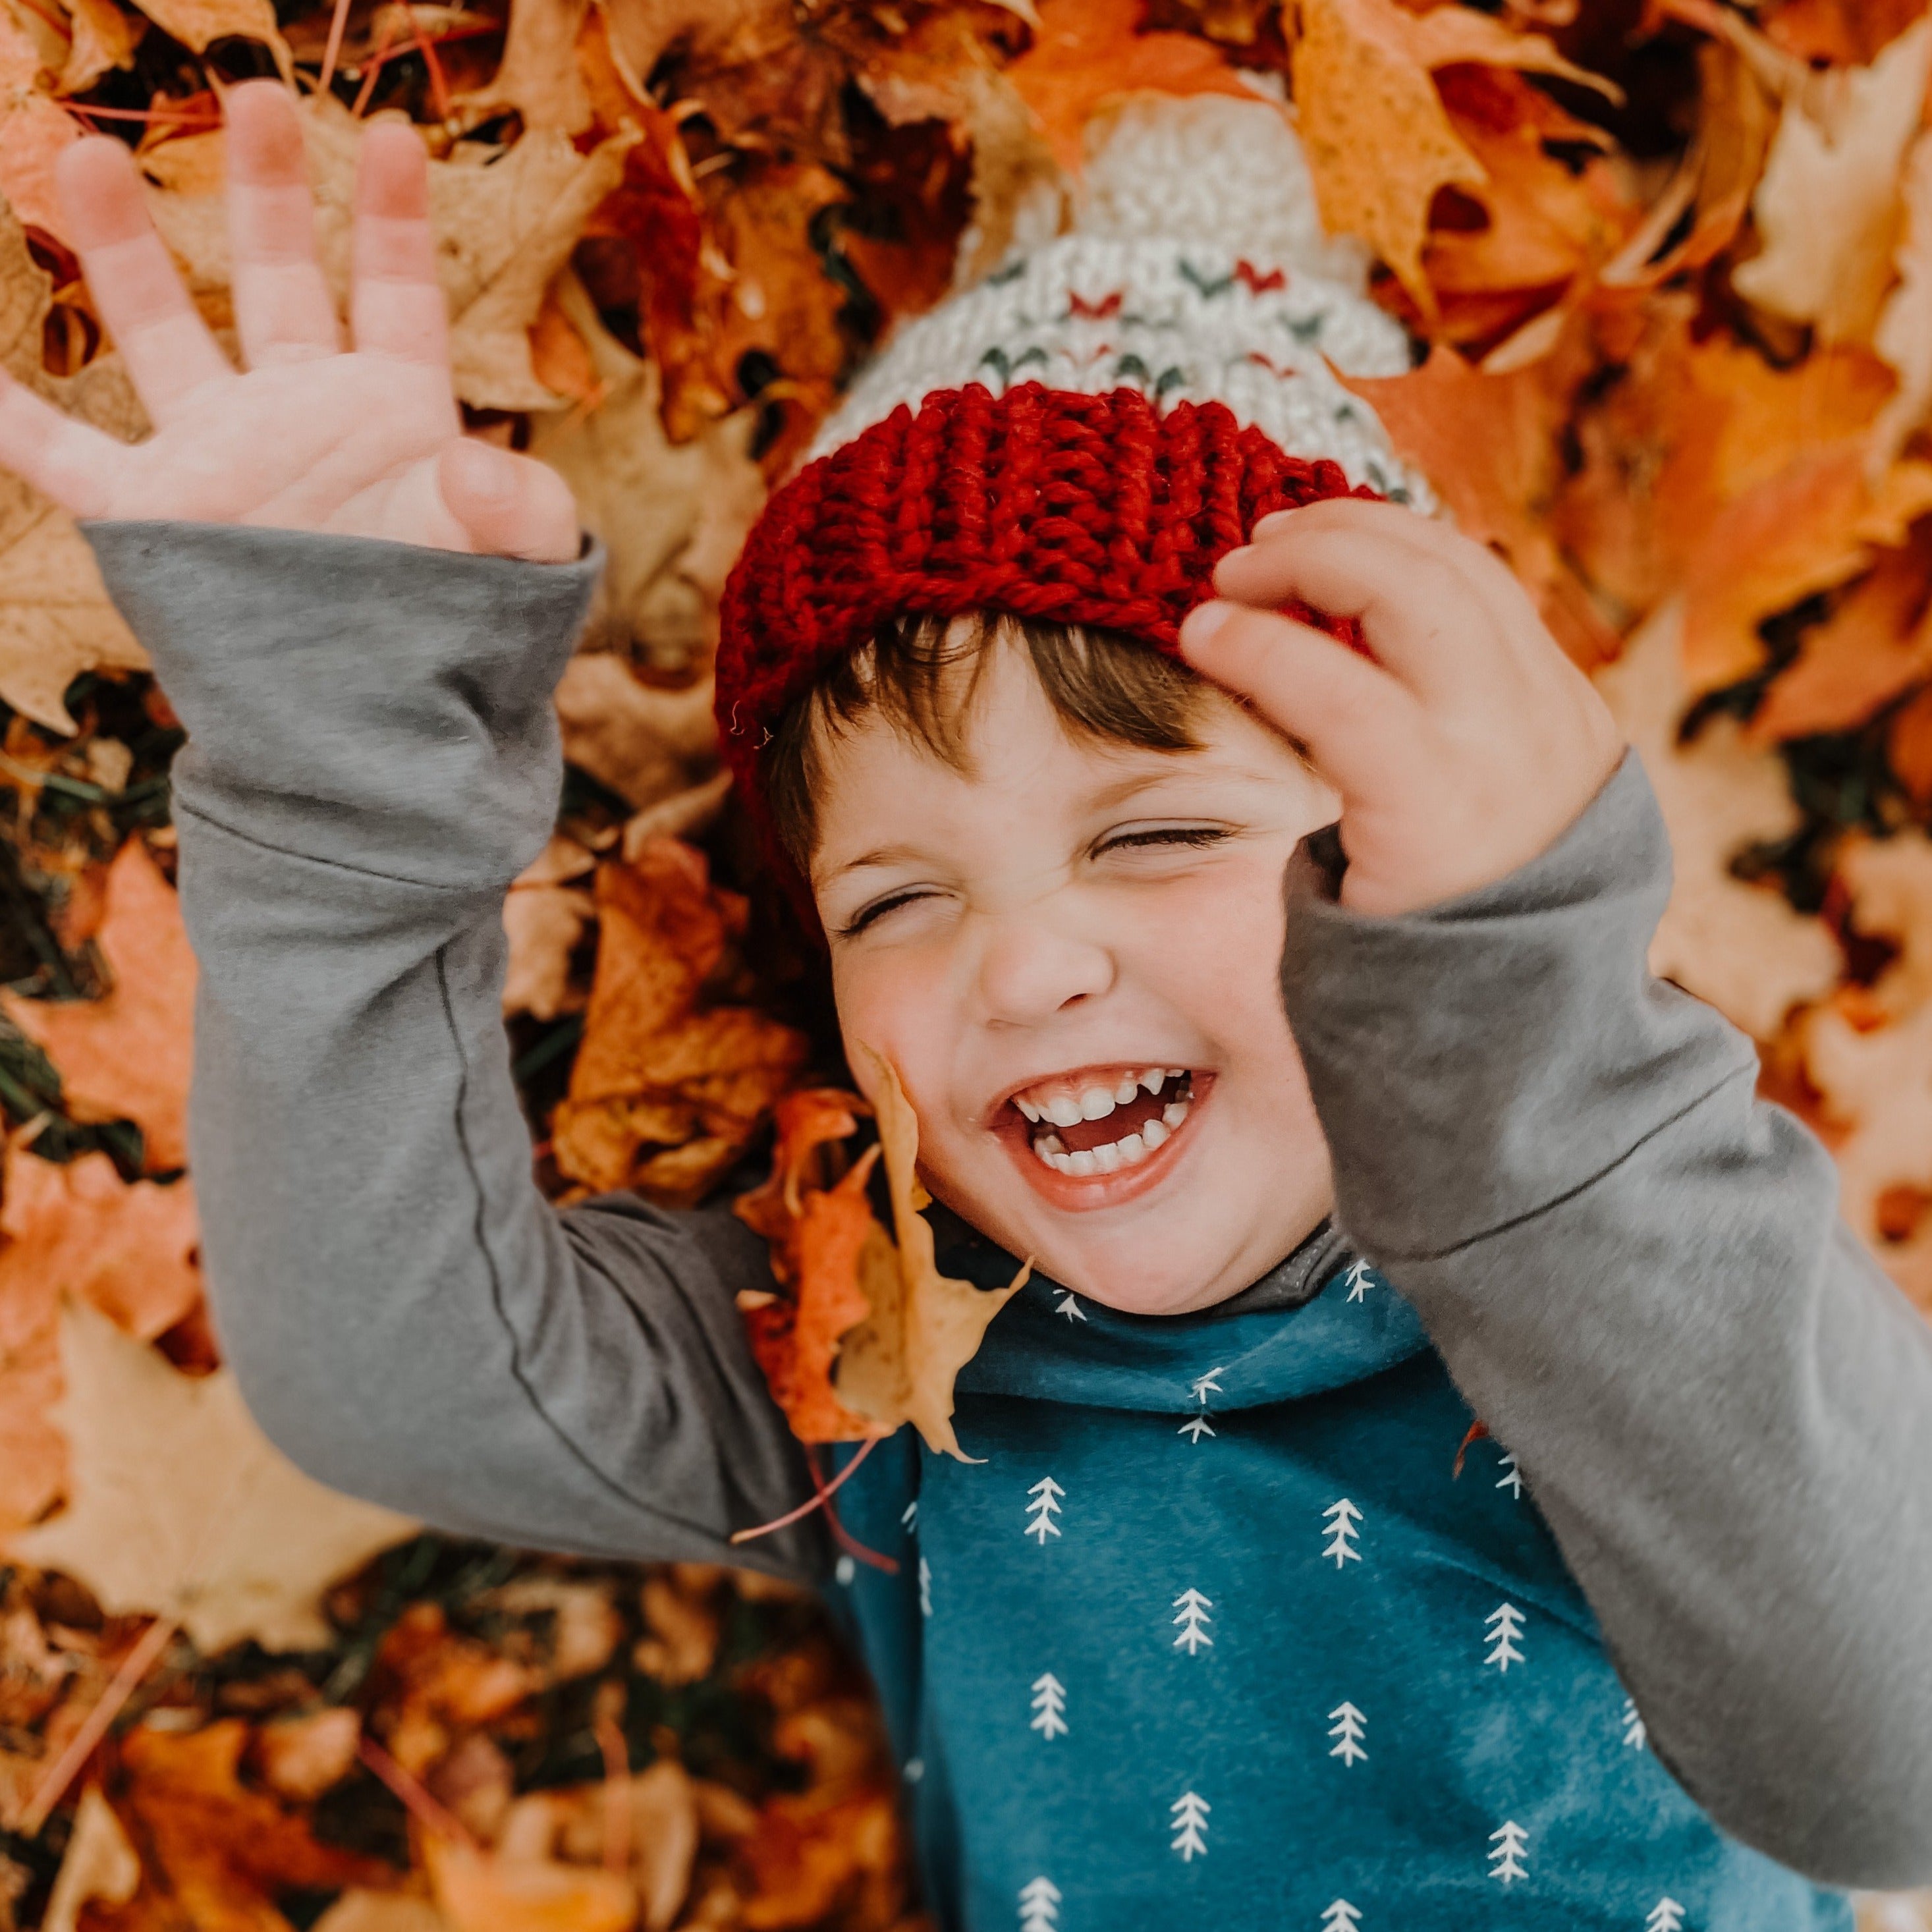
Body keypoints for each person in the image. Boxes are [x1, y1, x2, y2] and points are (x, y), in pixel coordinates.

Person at [4, 76, 1929, 1931]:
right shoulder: (886, 1328)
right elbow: (394, 1374)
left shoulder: (1624, 1283)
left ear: (1409, 859)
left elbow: (1894, 1767)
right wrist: (341, 753)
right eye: (900, 896)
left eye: (1156, 834)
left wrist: (1532, 1032)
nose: (1020, 964)